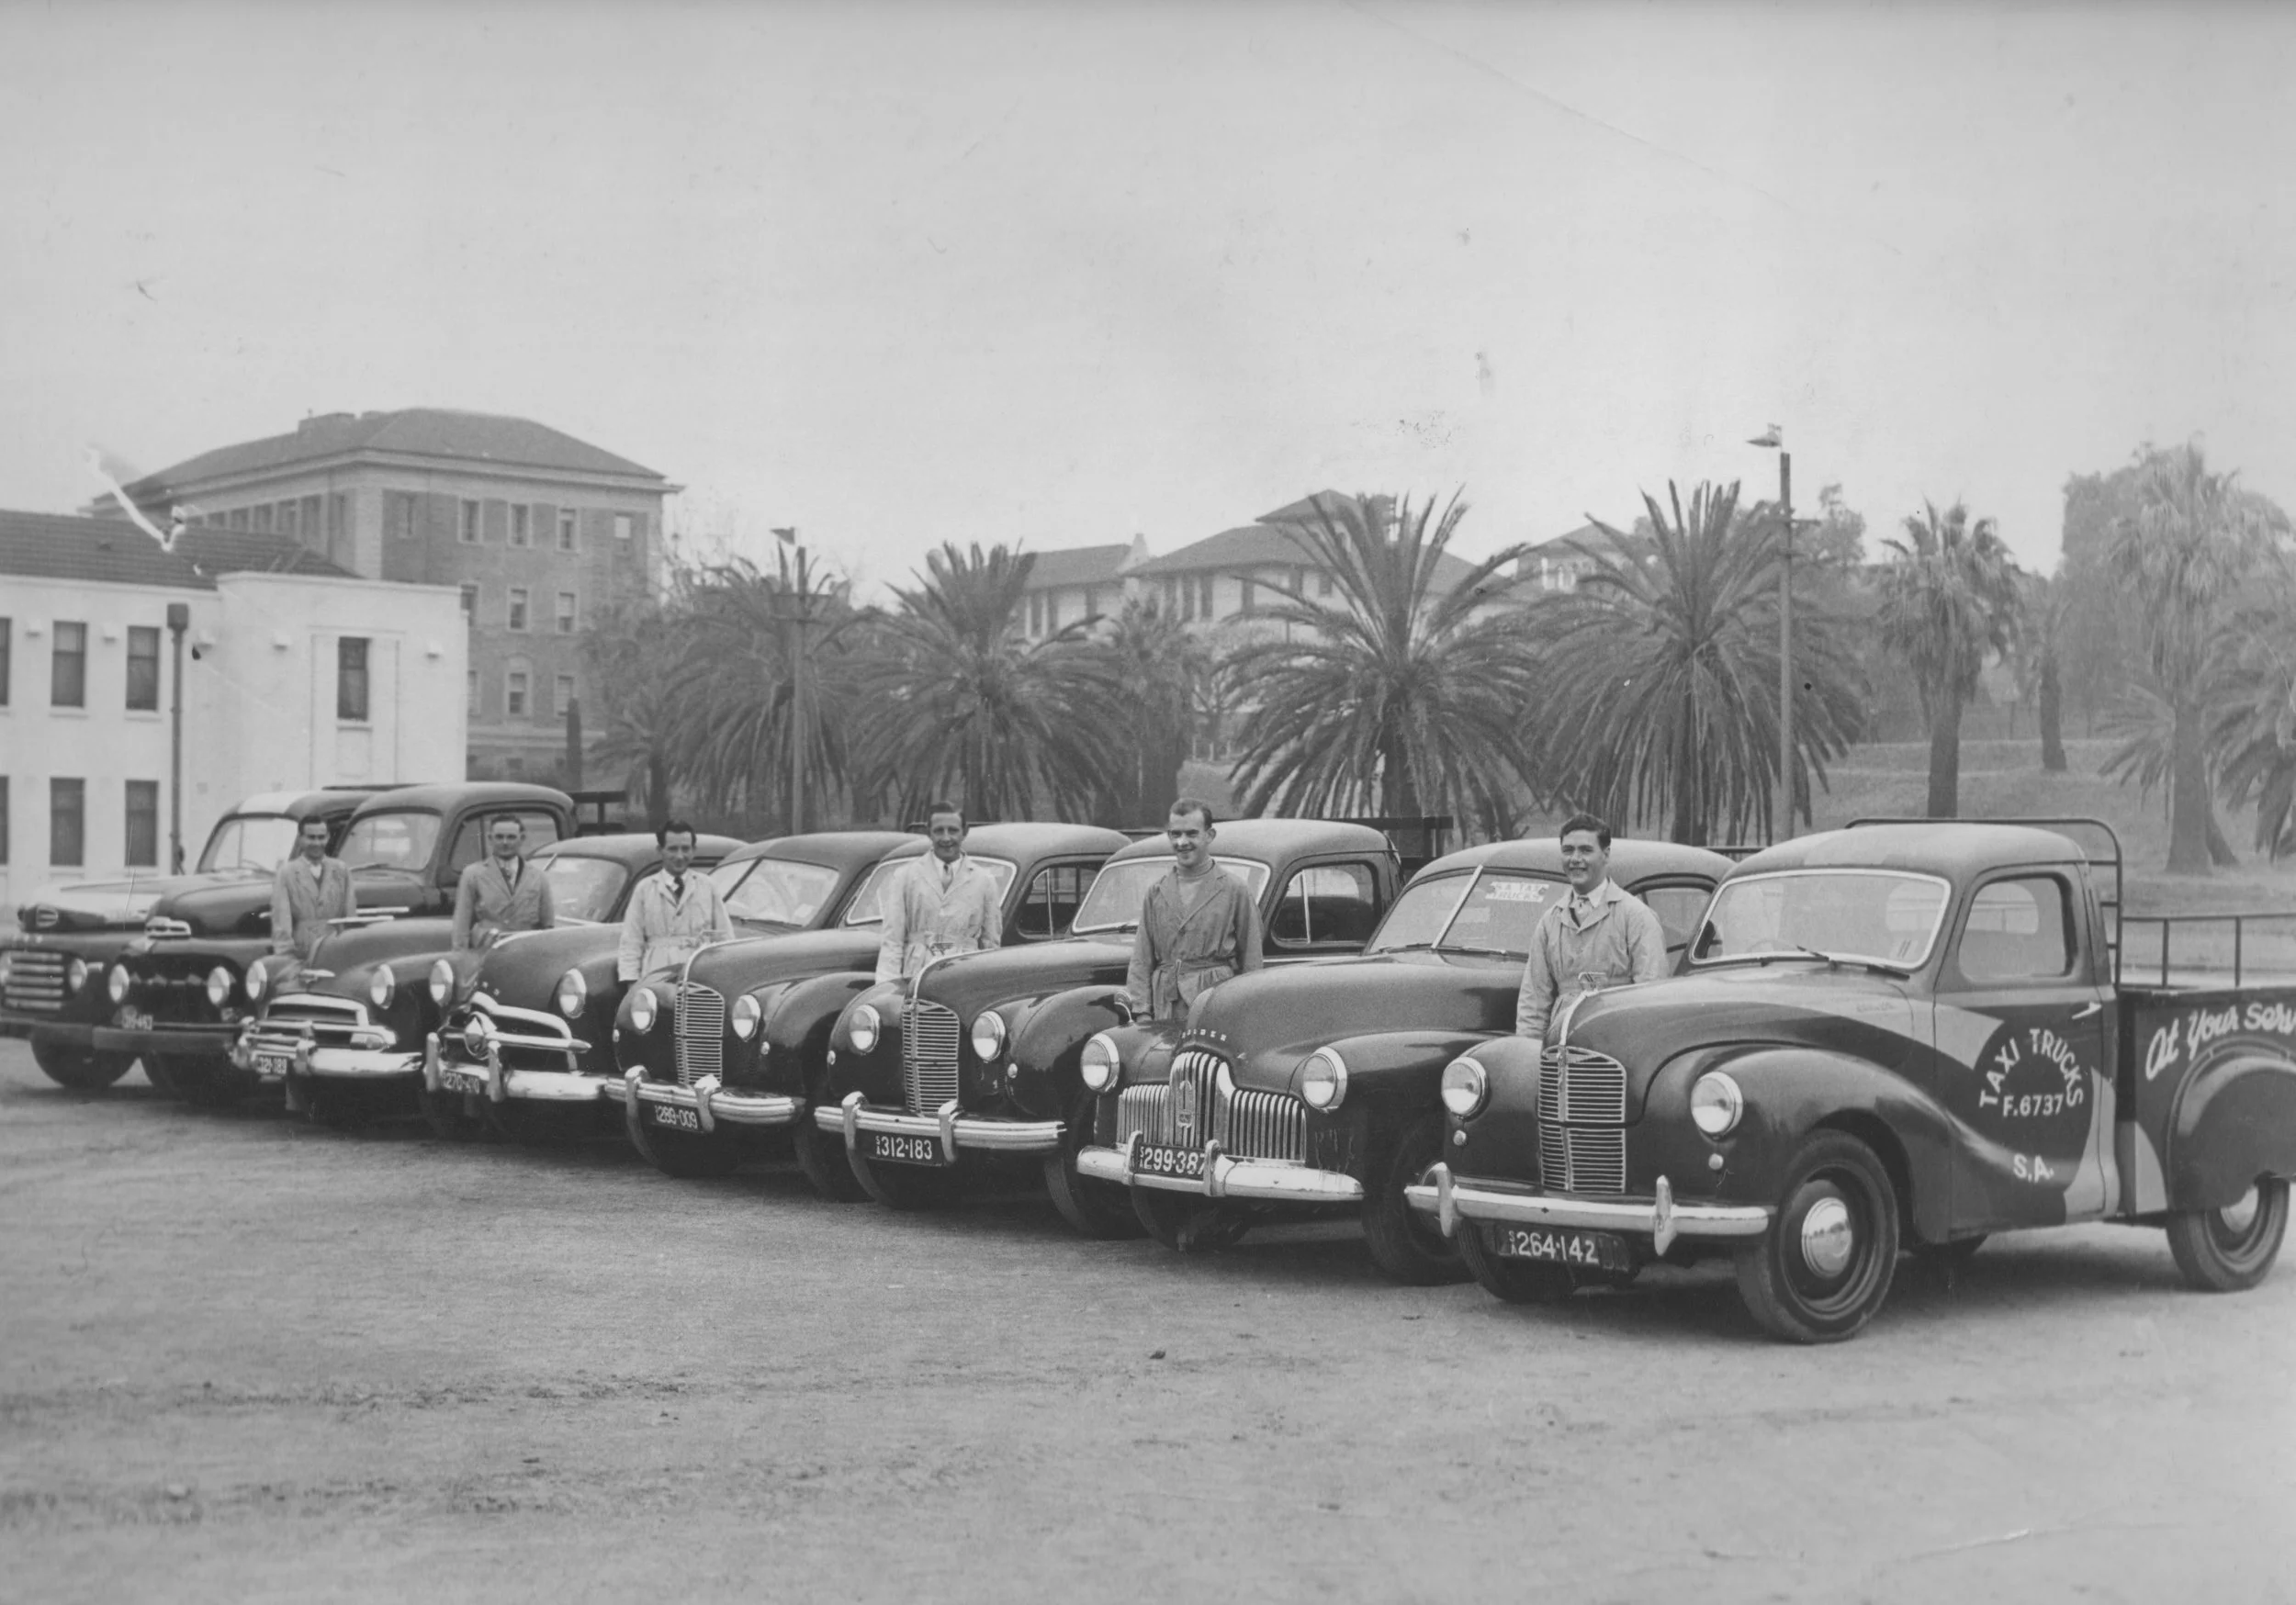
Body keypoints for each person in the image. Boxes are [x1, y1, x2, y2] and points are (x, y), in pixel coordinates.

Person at [1515, 812, 1668, 1043]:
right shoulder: (1550, 921)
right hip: (1561, 1054)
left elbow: (1652, 999)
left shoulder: (1636, 917)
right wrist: (1528, 1056)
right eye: (1568, 851)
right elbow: (1533, 1004)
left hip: (1619, 1050)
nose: (1575, 859)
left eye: (1586, 850)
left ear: (1605, 855)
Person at [1122, 799, 1264, 1022]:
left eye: (1191, 834)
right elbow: (1141, 959)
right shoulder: (1156, 892)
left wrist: (1246, 1013)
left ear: (1210, 835)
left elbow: (1252, 958)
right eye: (1175, 834)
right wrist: (1141, 1013)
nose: (1182, 842)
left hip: (1215, 1004)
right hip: (1166, 1007)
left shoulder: (1233, 889)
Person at [874, 802, 1002, 982]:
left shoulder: (984, 880)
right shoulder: (905, 876)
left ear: (964, 832)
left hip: (966, 974)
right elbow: (892, 940)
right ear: (929, 833)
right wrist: (887, 986)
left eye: (953, 830)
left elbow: (991, 943)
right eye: (939, 831)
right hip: (917, 973)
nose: (946, 838)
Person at [617, 819, 734, 980]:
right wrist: (632, 983)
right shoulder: (645, 889)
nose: (679, 856)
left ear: (694, 850)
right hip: (655, 973)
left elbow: (724, 938)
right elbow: (631, 941)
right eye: (672, 849)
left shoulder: (708, 886)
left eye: (685, 849)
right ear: (660, 850)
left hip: (698, 974)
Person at [451, 814, 557, 950]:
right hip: (486, 952)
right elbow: (461, 925)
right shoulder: (473, 875)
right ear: (490, 838)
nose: (505, 842)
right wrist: (461, 958)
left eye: (511, 837)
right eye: (499, 837)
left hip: (525, 952)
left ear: (522, 838)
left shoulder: (538, 876)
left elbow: (548, 925)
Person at [268, 814, 355, 969]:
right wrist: (286, 958)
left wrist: (349, 951)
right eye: (311, 837)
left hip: (336, 950)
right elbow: (282, 922)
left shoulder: (341, 870)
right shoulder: (287, 873)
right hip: (303, 954)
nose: (316, 843)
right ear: (300, 838)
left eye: (321, 837)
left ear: (328, 838)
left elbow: (350, 917)